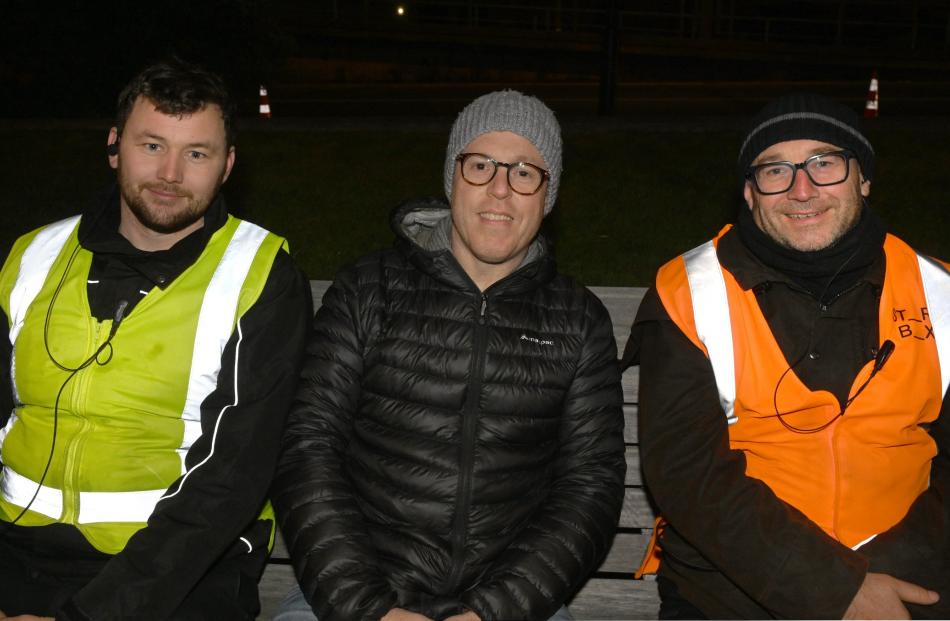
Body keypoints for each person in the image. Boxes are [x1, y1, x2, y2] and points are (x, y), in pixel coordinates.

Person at [271, 90, 626, 621]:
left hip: (511, 605)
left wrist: (493, 612)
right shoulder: (370, 290)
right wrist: (369, 607)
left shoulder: (578, 320)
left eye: (525, 172)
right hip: (355, 594)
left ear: (547, 194)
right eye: (480, 165)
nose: (500, 190)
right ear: (451, 176)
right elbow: (307, 449)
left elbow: (590, 486)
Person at [0, 58, 311, 619]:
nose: (171, 173)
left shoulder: (260, 275)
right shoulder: (33, 256)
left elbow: (233, 476)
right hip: (17, 555)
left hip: (179, 576)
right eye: (152, 146)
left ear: (228, 166)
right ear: (115, 145)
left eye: (196, 153)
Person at [625, 92, 949, 619]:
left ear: (863, 178)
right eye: (776, 170)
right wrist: (836, 589)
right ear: (750, 192)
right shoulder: (689, 293)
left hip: (910, 584)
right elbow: (688, 475)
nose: (803, 189)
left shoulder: (940, 292)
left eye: (825, 163)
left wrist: (891, 578)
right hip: (733, 596)